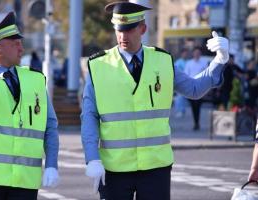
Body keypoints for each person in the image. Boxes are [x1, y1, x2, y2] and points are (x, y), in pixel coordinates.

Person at [81, 2, 229, 200]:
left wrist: (219, 60)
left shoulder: (163, 61)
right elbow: (89, 116)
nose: (123, 36)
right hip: (114, 168)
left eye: (129, 29)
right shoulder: (98, 66)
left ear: (143, 28)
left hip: (155, 167)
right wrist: (92, 158)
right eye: (119, 30)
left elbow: (194, 89)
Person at [0, 12, 59, 200]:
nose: (22, 48)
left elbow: (50, 127)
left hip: (25, 182)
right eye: (16, 44)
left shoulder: (35, 79)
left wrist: (52, 164)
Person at [184, 47, 209, 130]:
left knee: (198, 105)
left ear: (200, 54)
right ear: (193, 54)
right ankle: (196, 122)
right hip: (191, 87)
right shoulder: (189, 63)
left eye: (198, 53)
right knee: (193, 106)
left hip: (200, 87)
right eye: (195, 53)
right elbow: (186, 75)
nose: (197, 54)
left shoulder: (204, 63)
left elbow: (207, 75)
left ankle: (197, 122)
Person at [173, 48, 188, 117]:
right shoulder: (178, 62)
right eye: (184, 53)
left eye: (186, 53)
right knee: (179, 98)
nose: (185, 54)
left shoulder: (187, 62)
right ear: (181, 54)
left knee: (184, 98)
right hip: (179, 82)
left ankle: (183, 110)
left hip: (186, 82)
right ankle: (179, 110)